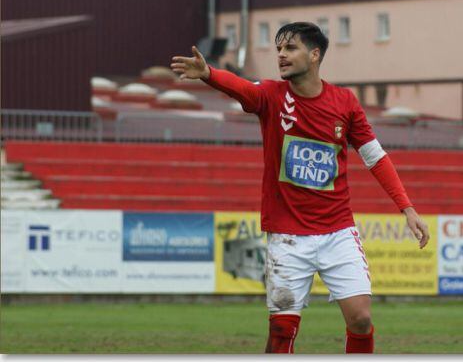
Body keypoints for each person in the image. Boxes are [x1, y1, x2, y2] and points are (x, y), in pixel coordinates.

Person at [171, 22, 430, 354]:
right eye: (279, 49)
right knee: (281, 333)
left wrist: (407, 208)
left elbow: (375, 157)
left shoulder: (345, 102)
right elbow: (240, 87)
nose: (281, 55)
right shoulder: (271, 96)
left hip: (338, 231)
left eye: (290, 48)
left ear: (315, 54)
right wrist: (209, 73)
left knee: (361, 319)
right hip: (288, 235)